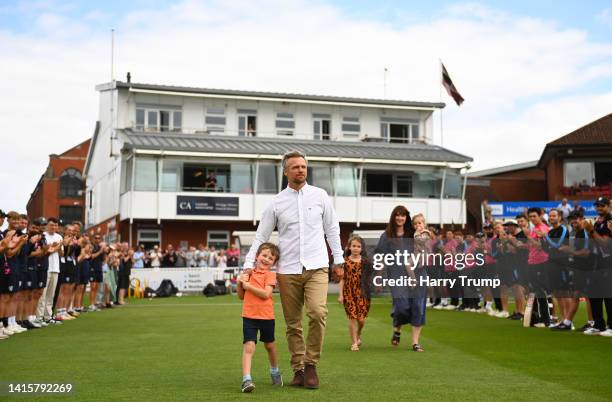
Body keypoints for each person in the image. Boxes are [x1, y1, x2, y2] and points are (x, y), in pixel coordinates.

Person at [243, 150, 343, 389]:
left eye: (304, 166)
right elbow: (261, 235)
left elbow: (332, 229)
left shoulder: (320, 196)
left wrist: (338, 259)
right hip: (287, 270)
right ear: (285, 171)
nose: (301, 170)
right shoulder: (276, 203)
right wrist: (248, 263)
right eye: (296, 167)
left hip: (317, 266)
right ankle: (298, 370)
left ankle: (311, 365)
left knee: (318, 313)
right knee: (292, 324)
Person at [375, 206, 426, 352]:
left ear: (406, 217)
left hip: (417, 274)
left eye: (403, 215)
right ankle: (397, 330)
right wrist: (378, 278)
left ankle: (415, 342)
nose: (400, 218)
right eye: (397, 215)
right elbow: (381, 258)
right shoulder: (387, 235)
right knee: (402, 308)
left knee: (418, 307)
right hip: (397, 276)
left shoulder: (412, 232)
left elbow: (425, 242)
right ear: (393, 217)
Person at [236, 242, 283, 393]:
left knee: (270, 346)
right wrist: (239, 282)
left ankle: (275, 370)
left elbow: (265, 294)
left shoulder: (271, 275)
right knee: (249, 346)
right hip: (249, 316)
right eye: (264, 255)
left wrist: (247, 285)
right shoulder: (248, 274)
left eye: (270, 258)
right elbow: (241, 296)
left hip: (266, 316)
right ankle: (246, 379)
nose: (266, 259)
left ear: (274, 263)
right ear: (256, 256)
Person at [583, 196, 612, 336]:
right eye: (597, 206)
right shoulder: (598, 221)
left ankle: (611, 326)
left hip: (608, 262)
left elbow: (605, 243)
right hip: (597, 262)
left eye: (602, 205)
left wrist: (590, 230)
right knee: (594, 293)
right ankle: (599, 324)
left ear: (608, 206)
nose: (599, 208)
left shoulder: (609, 220)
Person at [338, 235, 373, 351]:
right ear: (349, 247)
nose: (356, 248)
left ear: (362, 248)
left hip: (362, 293)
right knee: (352, 317)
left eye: (358, 246)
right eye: (353, 246)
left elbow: (371, 276)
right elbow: (342, 279)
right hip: (349, 292)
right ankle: (354, 343)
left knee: (361, 320)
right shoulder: (345, 262)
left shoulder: (366, 262)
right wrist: (341, 295)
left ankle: (358, 333)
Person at [526, 207, 552, 327]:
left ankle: (547, 319)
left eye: (534, 216)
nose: (532, 219)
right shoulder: (534, 228)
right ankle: (541, 318)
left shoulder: (543, 228)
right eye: (530, 217)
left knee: (544, 291)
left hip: (542, 262)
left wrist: (528, 237)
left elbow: (540, 246)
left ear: (540, 216)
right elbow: (531, 246)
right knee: (537, 291)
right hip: (533, 262)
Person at [35, 217, 62, 325]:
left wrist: (59, 248)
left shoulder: (59, 236)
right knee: (43, 294)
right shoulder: (44, 236)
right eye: (51, 225)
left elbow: (62, 254)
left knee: (51, 294)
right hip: (45, 268)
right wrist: (55, 247)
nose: (53, 227)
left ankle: (48, 316)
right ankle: (39, 317)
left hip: (55, 268)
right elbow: (44, 253)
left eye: (55, 225)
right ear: (47, 225)